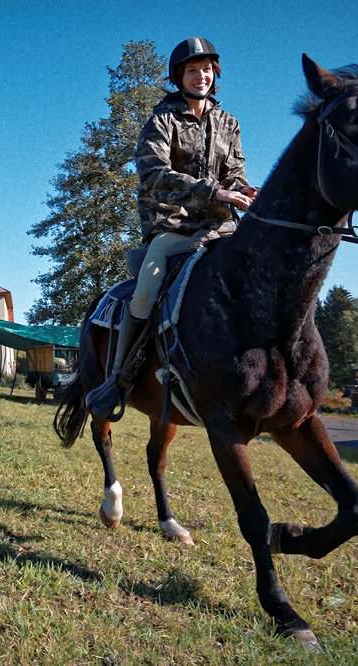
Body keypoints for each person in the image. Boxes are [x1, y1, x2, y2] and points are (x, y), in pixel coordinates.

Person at [86, 37, 257, 421]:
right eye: (193, 70)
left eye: (207, 69)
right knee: (145, 294)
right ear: (178, 76)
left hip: (222, 228)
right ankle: (117, 379)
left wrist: (245, 191)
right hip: (172, 227)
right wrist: (217, 192)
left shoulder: (229, 123)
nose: (202, 76)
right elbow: (153, 175)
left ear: (216, 75)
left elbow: (236, 174)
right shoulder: (161, 121)